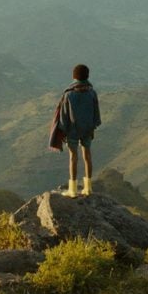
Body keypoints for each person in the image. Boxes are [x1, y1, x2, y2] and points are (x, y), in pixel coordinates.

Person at [49, 64, 101, 197]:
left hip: (72, 130)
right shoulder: (92, 92)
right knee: (87, 156)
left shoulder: (69, 94)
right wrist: (92, 127)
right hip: (87, 129)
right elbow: (96, 114)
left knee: (73, 157)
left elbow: (64, 117)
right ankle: (88, 188)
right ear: (87, 76)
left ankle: (72, 190)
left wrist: (63, 132)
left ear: (74, 76)